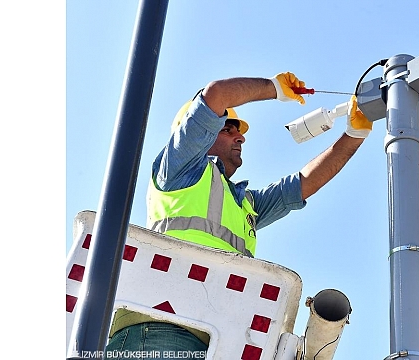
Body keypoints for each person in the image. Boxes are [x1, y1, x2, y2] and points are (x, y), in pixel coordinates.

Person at [104, 72, 372, 359]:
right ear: (197, 135)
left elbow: (303, 185)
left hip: (217, 335)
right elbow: (216, 94)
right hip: (162, 325)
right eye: (228, 128)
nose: (240, 136)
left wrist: (354, 135)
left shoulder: (244, 204)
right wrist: (275, 88)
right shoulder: (178, 170)